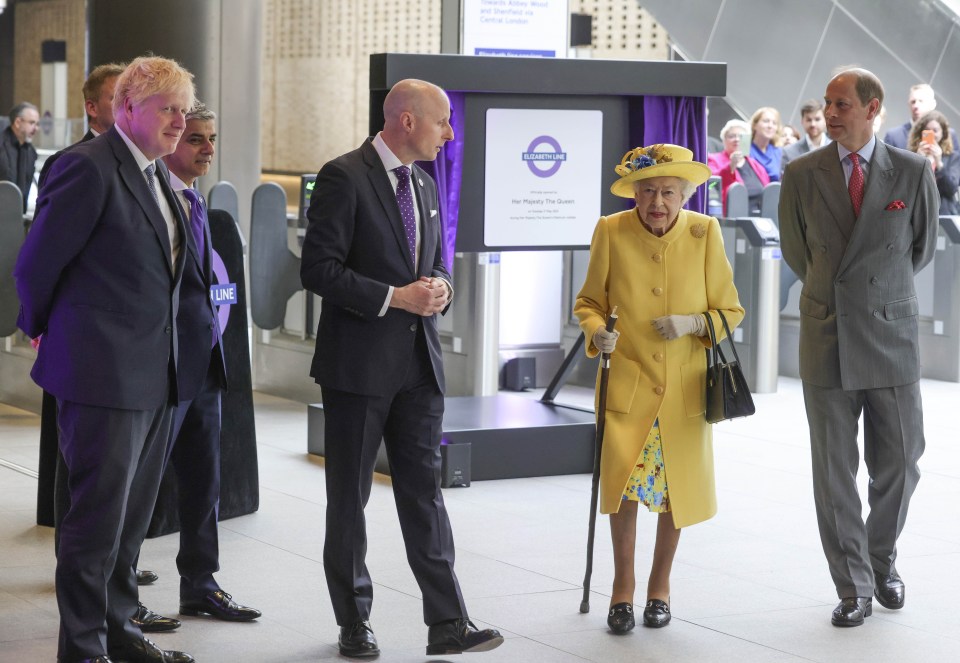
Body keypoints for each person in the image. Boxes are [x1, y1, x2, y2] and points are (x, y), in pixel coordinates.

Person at [299, 78, 503, 658]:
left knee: (425, 497)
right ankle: (353, 622)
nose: (450, 133)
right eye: (443, 121)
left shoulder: (426, 182)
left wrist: (439, 286)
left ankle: (448, 622)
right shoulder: (344, 175)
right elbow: (319, 270)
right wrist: (395, 296)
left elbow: (435, 263)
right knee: (350, 500)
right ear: (408, 121)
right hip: (358, 369)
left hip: (418, 367)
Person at [14, 55, 196, 663]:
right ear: (126, 109)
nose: (179, 122)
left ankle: (121, 632)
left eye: (184, 109)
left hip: (156, 377)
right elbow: (37, 265)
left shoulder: (158, 175)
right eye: (166, 109)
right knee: (93, 529)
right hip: (102, 376)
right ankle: (84, 650)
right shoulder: (86, 168)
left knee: (128, 528)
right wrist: (47, 331)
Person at [779, 67, 938, 628]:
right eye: (827, 103)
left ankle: (881, 557)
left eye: (842, 103)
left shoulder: (914, 172)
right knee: (834, 471)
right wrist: (839, 294)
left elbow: (918, 249)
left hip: (891, 335)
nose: (832, 113)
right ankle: (854, 585)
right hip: (828, 334)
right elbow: (799, 255)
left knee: (900, 464)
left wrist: (878, 296)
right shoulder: (801, 173)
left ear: (874, 109)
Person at [574, 143, 744, 635]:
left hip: (683, 390)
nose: (658, 203)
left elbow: (730, 311)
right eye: (648, 192)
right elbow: (588, 301)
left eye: (668, 192)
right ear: (635, 194)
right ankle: (621, 590)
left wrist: (694, 321)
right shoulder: (611, 230)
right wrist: (595, 332)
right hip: (627, 384)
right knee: (622, 489)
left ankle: (659, 588)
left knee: (676, 494)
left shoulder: (704, 231)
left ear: (684, 194)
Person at [148, 102, 261, 627]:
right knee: (139, 489)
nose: (208, 149)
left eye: (211, 139)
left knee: (204, 484)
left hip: (204, 367)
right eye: (196, 139)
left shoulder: (199, 205)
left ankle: (200, 584)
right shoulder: (150, 200)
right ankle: (119, 596)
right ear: (168, 139)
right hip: (159, 371)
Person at [38, 63, 124, 190]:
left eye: (130, 98)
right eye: (117, 98)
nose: (128, 106)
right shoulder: (67, 162)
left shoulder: (138, 158)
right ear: (92, 108)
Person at [708, 119, 769, 215]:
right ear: (724, 140)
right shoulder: (713, 159)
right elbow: (712, 185)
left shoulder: (756, 165)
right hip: (731, 217)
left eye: (741, 136)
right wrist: (730, 167)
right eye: (731, 136)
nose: (736, 139)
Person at [907, 110, 960, 215]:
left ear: (943, 133)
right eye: (927, 130)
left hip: (942, 214)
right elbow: (906, 186)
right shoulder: (911, 155)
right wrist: (918, 159)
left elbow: (951, 189)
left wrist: (939, 163)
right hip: (918, 212)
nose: (931, 134)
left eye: (935, 130)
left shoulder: (953, 157)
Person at [883, 83, 959, 150]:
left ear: (933, 104)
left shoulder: (949, 136)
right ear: (908, 104)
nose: (916, 105)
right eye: (913, 102)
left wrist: (938, 163)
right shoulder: (894, 136)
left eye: (921, 101)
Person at [0, 101, 40, 211]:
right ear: (18, 122)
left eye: (37, 124)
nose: (36, 128)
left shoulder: (31, 152)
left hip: (18, 218)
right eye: (32, 123)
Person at [781, 99, 830, 174]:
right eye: (809, 120)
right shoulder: (789, 152)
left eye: (817, 119)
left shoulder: (837, 149)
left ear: (825, 120)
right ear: (802, 121)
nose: (813, 124)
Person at [749, 106, 783, 181]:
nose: (770, 126)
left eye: (774, 123)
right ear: (754, 125)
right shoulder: (745, 150)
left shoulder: (779, 152)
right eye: (766, 121)